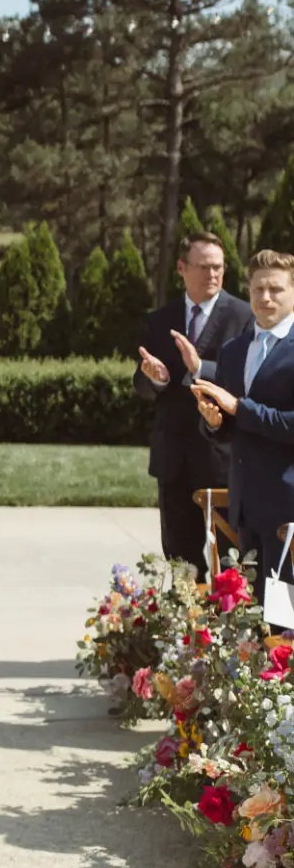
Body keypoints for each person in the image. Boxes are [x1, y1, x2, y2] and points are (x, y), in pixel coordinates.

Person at [134, 231, 252, 579]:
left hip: (224, 458)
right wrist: (155, 378)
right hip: (174, 462)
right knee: (182, 565)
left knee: (233, 565)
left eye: (218, 267)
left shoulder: (243, 316)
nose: (212, 274)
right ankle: (186, 631)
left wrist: (200, 369)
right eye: (203, 267)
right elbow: (141, 387)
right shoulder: (159, 320)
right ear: (182, 269)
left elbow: (246, 380)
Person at [191, 248, 294, 598]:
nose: (265, 297)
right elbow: (230, 431)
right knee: (249, 626)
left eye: (276, 289)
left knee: (286, 626)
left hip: (288, 512)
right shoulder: (234, 351)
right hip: (244, 509)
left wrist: (238, 408)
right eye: (257, 289)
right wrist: (215, 422)